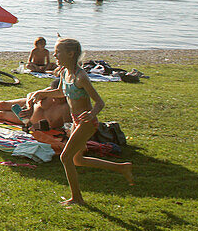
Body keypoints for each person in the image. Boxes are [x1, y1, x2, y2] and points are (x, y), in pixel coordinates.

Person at [35, 38, 133, 206]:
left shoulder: (81, 77)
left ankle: (77, 198)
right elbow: (60, 93)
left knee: (65, 157)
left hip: (87, 123)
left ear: (70, 54)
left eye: (58, 52)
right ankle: (122, 167)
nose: (54, 54)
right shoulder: (64, 72)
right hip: (76, 121)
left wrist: (91, 114)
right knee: (77, 160)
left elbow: (100, 102)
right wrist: (42, 94)